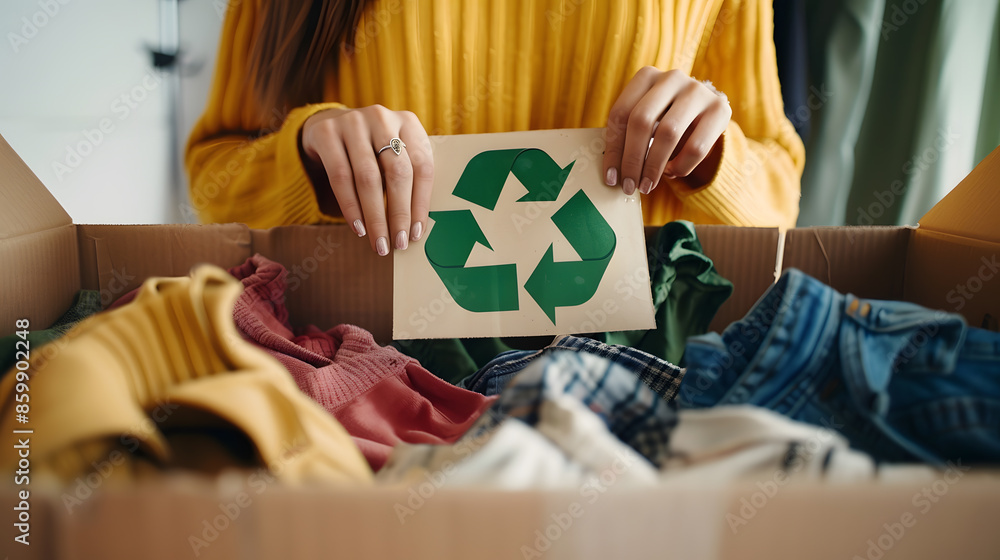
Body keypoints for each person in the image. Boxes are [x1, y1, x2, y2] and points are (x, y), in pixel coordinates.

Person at [187, 0, 804, 256]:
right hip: (366, 375)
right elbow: (215, 177)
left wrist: (711, 152)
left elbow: (780, 193)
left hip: (635, 368)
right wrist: (309, 153)